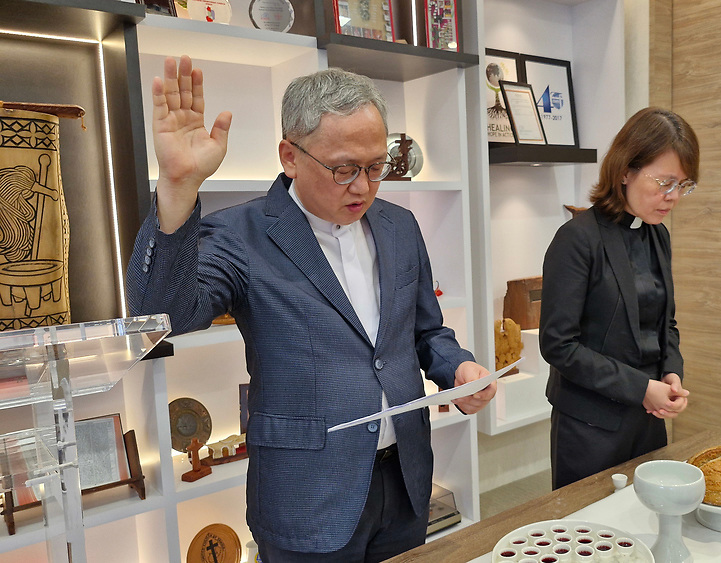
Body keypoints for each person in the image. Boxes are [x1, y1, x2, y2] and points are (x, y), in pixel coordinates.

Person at [126, 56, 497, 561]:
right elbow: (162, 316)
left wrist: (458, 368)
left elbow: (424, 332)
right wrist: (176, 188)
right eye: (344, 169)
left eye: (376, 167)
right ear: (290, 156)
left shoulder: (399, 225)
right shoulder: (240, 235)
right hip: (306, 495)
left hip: (405, 479)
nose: (363, 186)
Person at [539, 107, 696, 489]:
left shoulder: (657, 235)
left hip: (648, 418)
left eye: (683, 185)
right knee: (590, 522)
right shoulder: (578, 238)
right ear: (625, 171)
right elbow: (559, 345)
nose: (673, 197)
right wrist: (641, 388)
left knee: (648, 514)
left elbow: (665, 324)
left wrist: (671, 372)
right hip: (589, 424)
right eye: (665, 182)